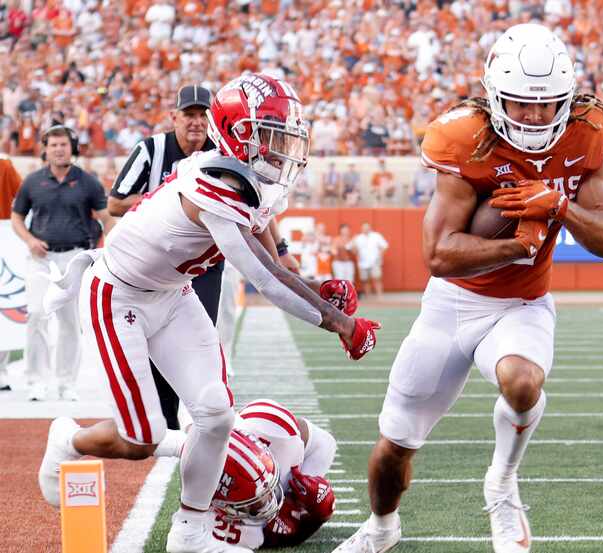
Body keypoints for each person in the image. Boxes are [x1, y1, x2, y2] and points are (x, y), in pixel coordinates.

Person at [37, 73, 378, 553]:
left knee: (216, 415)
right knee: (142, 436)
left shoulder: (251, 180)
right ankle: (68, 439)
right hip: (118, 296)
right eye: (272, 133)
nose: (283, 146)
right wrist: (340, 323)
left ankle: (190, 531)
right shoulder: (214, 185)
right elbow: (265, 281)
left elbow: (274, 260)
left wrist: (320, 288)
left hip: (172, 294)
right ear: (240, 135)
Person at [333, 24, 603, 553]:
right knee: (393, 448)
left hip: (523, 302)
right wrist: (520, 243)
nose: (535, 116)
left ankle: (502, 482)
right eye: (521, 104)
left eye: (547, 105)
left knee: (521, 384)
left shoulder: (588, 131)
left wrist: (557, 205)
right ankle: (381, 529)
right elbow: (440, 256)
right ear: (495, 97)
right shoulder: (464, 137)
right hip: (452, 305)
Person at [108, 84, 218, 431]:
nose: (197, 123)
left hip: (204, 264)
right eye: (189, 115)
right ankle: (164, 418)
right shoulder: (151, 149)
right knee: (156, 335)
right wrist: (165, 201)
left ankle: (198, 415)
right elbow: (115, 202)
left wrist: (282, 251)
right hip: (157, 264)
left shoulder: (222, 153)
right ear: (174, 118)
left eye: (203, 115)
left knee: (200, 337)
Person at [148, 398, 339, 549]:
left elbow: (325, 444)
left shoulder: (274, 435)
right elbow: (284, 536)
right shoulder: (216, 521)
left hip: (257, 441)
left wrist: (307, 475)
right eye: (253, 503)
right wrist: (318, 517)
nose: (268, 502)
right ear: (221, 504)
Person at [11, 125, 114, 401]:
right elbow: (17, 218)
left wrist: (110, 246)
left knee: (70, 322)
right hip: (40, 258)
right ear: (45, 149)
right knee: (36, 315)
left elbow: (106, 218)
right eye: (53, 145)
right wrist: (29, 240)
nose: (58, 149)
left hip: (75, 258)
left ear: (73, 148)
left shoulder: (88, 181)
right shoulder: (32, 181)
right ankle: (36, 380)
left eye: (63, 145)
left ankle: (66, 382)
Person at [0, 154, 22, 392]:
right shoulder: (5, 164)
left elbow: (24, 197)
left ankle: (1, 371)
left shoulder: (4, 165)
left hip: (4, 241)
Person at [349, 222, 388, 298]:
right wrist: (356, 252)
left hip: (374, 262)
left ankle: (380, 296)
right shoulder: (358, 238)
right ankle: (368, 296)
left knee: (377, 278)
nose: (365, 229)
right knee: (365, 280)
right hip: (363, 263)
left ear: (370, 228)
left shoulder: (376, 236)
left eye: (367, 228)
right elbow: (351, 248)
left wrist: (379, 256)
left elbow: (384, 246)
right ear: (361, 229)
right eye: (364, 228)